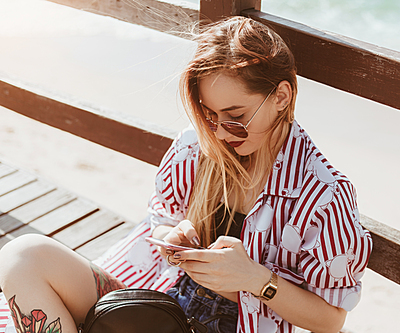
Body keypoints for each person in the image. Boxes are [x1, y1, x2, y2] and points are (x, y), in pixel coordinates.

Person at [0, 16, 372, 333]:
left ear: (281, 97)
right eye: (211, 116)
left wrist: (255, 280)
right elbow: (161, 221)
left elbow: (330, 318)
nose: (222, 133)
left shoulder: (323, 195)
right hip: (164, 306)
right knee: (23, 254)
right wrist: (171, 237)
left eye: (237, 117)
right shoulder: (196, 147)